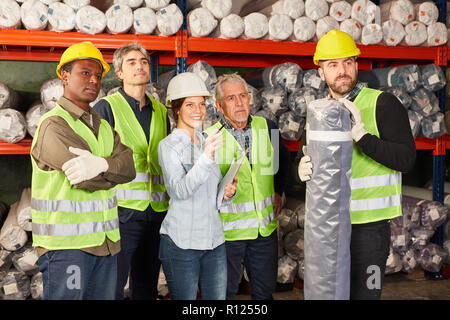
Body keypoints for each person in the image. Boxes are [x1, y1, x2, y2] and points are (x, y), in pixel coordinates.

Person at [298, 29, 416, 299]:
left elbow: (406, 159)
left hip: (370, 230)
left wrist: (363, 137)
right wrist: (300, 169)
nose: (342, 71)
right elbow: (303, 156)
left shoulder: (382, 104)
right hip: (330, 227)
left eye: (348, 62)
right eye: (333, 65)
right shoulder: (319, 112)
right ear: (321, 73)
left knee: (367, 295)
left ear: (356, 64)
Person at [30, 41, 136, 300]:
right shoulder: (53, 125)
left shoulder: (101, 125)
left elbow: (130, 168)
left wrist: (100, 165)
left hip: (105, 243)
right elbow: (83, 180)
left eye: (98, 76)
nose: (93, 81)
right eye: (85, 73)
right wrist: (112, 169)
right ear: (64, 76)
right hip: (68, 249)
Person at [93, 43, 170, 300]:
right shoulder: (106, 107)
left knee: (147, 286)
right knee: (112, 286)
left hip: (157, 213)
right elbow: (98, 161)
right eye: (132, 62)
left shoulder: (160, 111)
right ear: (120, 72)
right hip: (122, 214)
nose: (140, 66)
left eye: (144, 61)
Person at [204, 73, 290, 300]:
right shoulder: (209, 138)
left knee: (264, 292)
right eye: (231, 98)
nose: (240, 102)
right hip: (227, 234)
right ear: (219, 105)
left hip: (264, 231)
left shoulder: (268, 127)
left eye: (243, 95)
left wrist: (278, 191)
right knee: (223, 293)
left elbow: (282, 161)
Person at [158, 72, 238, 300]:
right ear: (177, 109)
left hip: (214, 241)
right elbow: (180, 191)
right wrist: (206, 157)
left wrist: (226, 192)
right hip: (182, 244)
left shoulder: (206, 140)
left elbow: (208, 192)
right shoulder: (169, 146)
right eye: (190, 104)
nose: (198, 110)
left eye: (202, 104)